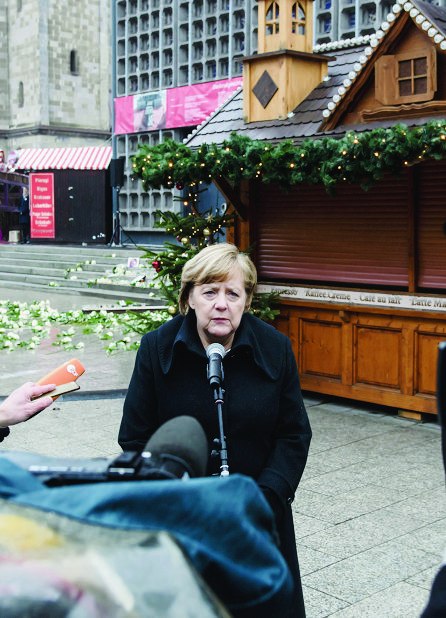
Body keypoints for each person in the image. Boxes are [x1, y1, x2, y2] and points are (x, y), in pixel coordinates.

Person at [118, 242, 312, 617]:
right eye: (209, 292)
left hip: (257, 515)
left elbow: (293, 434)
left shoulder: (276, 348)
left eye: (232, 293)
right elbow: (134, 436)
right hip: (181, 516)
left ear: (247, 300)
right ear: (189, 297)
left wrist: (262, 499)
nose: (221, 303)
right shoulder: (157, 348)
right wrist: (178, 498)